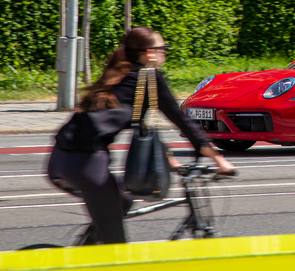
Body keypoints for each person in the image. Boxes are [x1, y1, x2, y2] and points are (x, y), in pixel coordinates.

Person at [47, 26, 236, 244]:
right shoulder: (148, 77)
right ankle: (93, 264)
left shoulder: (122, 74)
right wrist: (219, 159)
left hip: (59, 160)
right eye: (163, 48)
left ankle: (88, 248)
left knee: (123, 200)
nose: (165, 52)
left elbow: (140, 127)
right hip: (85, 164)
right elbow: (181, 119)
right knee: (115, 245)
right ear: (149, 53)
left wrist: (168, 157)